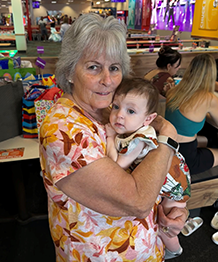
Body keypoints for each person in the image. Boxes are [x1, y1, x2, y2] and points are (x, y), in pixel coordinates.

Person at [39, 13, 188, 262]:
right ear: (70, 72)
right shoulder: (64, 128)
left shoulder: (107, 110)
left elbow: (146, 173)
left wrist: (172, 208)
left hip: (144, 247)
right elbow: (138, 200)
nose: (107, 80)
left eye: (114, 68)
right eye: (93, 67)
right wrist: (168, 137)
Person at [105, 77, 190, 259]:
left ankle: (175, 250)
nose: (120, 115)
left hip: (173, 183)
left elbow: (117, 165)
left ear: (149, 119)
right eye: (116, 106)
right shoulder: (132, 129)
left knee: (167, 223)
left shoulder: (139, 140)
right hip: (172, 174)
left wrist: (109, 139)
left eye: (131, 111)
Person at [165, 53, 218, 175]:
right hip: (186, 158)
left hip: (169, 146)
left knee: (209, 139)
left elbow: (189, 116)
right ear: (212, 74)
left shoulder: (173, 91)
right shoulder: (208, 98)